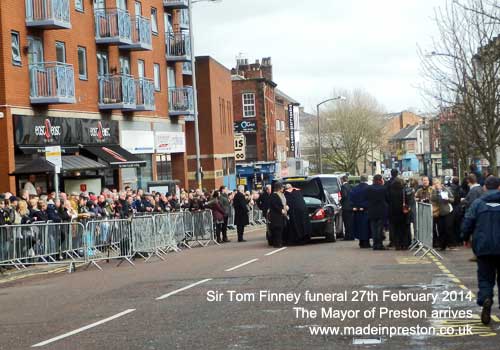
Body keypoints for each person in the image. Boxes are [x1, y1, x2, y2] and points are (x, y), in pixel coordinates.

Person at [462, 176, 500, 325]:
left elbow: (468, 222)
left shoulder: (478, 204)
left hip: (483, 248)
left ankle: (485, 298)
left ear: (485, 188)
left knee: (485, 278)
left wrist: (464, 237)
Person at [387, 176, 411, 250]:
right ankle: (404, 244)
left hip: (393, 213)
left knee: (396, 229)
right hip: (403, 213)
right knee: (404, 229)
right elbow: (407, 201)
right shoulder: (403, 191)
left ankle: (397, 245)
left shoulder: (390, 192)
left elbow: (388, 201)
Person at [431, 178, 454, 251]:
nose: (436, 184)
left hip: (447, 211)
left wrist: (448, 199)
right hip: (439, 212)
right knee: (440, 229)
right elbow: (432, 199)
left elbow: (452, 199)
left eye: (437, 183)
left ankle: (449, 244)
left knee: (447, 228)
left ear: (440, 183)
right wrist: (435, 191)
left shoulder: (446, 189)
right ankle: (442, 245)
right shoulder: (434, 191)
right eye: (435, 183)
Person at [366, 175, 388, 250]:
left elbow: (366, 198)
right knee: (380, 228)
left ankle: (375, 244)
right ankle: (379, 244)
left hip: (372, 210)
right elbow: (387, 198)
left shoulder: (369, 188)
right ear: (380, 180)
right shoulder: (384, 188)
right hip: (381, 210)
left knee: (373, 228)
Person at [350, 175, 371, 248]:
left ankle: (361, 242)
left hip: (357, 210)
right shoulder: (369, 188)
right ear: (367, 179)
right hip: (366, 210)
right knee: (366, 227)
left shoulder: (355, 188)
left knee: (359, 226)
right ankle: (366, 242)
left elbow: (351, 199)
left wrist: (355, 206)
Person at [268, 182, 287, 248]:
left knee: (280, 229)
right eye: (282, 187)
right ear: (279, 188)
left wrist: (285, 207)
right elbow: (275, 205)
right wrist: (281, 210)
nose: (283, 188)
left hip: (279, 215)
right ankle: (277, 243)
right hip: (276, 215)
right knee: (277, 229)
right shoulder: (274, 195)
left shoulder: (280, 194)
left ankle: (279, 242)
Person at [385, 169, 400, 247]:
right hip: (399, 207)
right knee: (399, 224)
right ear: (397, 174)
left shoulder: (387, 183)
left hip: (390, 206)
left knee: (391, 224)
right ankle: (399, 240)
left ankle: (392, 241)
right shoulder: (400, 182)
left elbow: (385, 194)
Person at [340, 175, 354, 241]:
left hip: (345, 207)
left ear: (343, 180)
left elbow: (344, 196)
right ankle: (351, 236)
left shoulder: (343, 187)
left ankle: (347, 236)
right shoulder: (350, 186)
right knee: (350, 222)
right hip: (351, 206)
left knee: (346, 222)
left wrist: (340, 201)